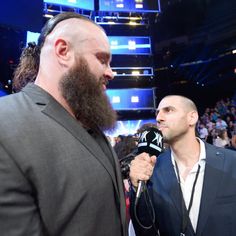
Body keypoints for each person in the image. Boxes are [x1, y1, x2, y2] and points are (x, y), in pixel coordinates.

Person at [0, 12, 128, 236]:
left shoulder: (89, 123)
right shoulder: (5, 123)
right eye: (102, 59)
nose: (111, 72)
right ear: (63, 51)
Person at [129, 95, 236, 236]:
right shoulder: (152, 170)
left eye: (168, 110)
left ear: (192, 117)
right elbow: (145, 229)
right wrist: (137, 188)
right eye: (158, 112)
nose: (159, 118)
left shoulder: (231, 162)